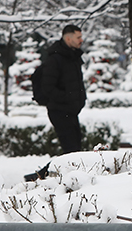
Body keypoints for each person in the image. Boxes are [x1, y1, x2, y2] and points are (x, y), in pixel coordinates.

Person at [26, 24, 87, 181]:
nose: (81, 40)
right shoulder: (55, 59)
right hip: (59, 110)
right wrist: (69, 98)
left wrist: (77, 100)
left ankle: (42, 175)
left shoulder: (73, 57)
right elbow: (48, 88)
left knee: (75, 151)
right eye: (78, 37)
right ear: (68, 38)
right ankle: (43, 176)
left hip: (71, 110)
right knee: (71, 151)